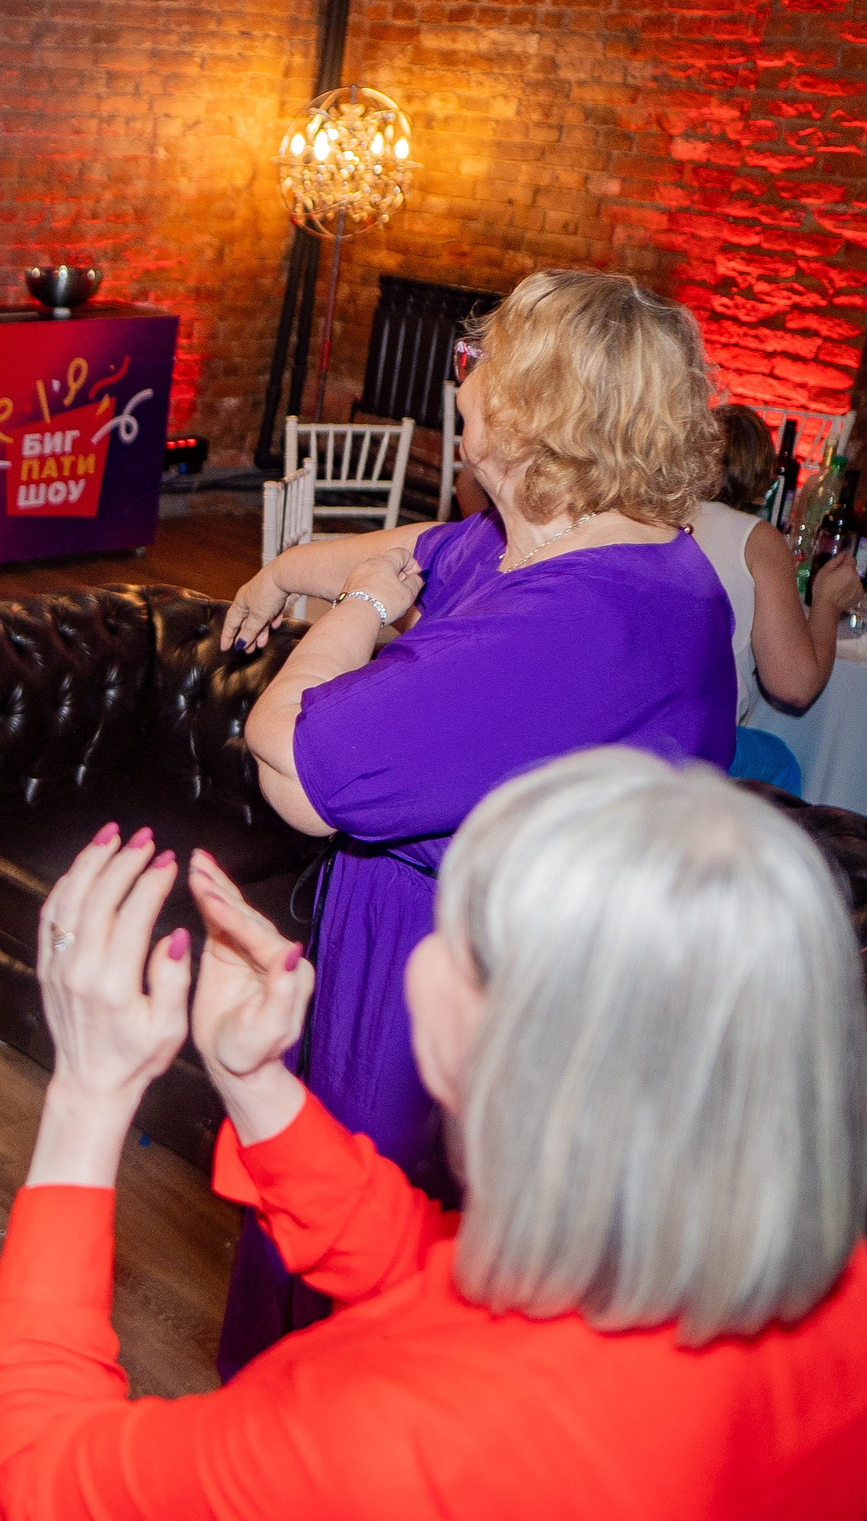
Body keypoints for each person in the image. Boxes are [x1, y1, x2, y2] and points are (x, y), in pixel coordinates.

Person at [0, 749, 867, 1519]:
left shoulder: (392, 1431)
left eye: (461, 931)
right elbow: (438, 1277)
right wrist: (253, 1081)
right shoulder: (813, 1278)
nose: (430, 949)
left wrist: (87, 1091)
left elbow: (34, 1480)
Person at [212, 269, 737, 1371]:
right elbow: (405, 551)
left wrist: (350, 614)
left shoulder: (579, 625)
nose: (464, 377)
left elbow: (291, 766)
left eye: (483, 360)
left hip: (458, 1020)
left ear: (532, 409)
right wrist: (278, 576)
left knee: (374, 1326)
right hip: (404, 966)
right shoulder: (555, 546)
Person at [691, 401, 860, 791]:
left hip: (625, 729)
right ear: (763, 477)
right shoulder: (755, 537)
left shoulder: (649, 514)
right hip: (694, 749)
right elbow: (794, 687)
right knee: (781, 763)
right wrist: (827, 603)